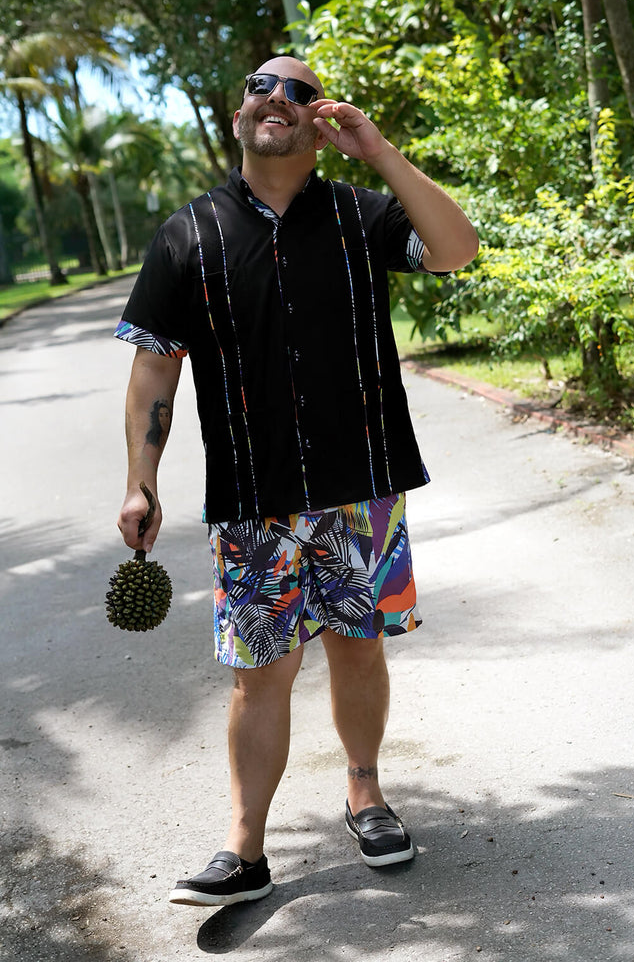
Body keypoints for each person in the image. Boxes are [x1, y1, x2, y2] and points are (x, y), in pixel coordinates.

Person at [115, 55, 478, 909]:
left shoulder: (361, 214)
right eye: (260, 86)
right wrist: (140, 481)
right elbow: (155, 367)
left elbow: (455, 250)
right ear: (237, 116)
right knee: (260, 673)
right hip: (253, 499)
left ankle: (366, 795)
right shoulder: (186, 235)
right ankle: (244, 851)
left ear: (320, 122)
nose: (276, 96)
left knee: (358, 647)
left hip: (361, 487)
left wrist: (379, 152)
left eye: (300, 91)